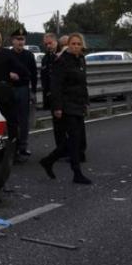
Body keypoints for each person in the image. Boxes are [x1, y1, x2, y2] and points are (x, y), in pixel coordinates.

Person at [39, 33, 92, 185]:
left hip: (78, 103)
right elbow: (56, 85)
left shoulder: (81, 60)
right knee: (74, 139)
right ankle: (77, 173)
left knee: (75, 139)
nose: (75, 46)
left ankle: (48, 160)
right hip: (66, 104)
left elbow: (83, 83)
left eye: (78, 44)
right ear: (68, 45)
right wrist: (57, 107)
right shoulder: (61, 61)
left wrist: (86, 102)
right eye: (73, 44)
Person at [9, 28, 38, 161]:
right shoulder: (8, 55)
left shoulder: (29, 55)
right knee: (12, 119)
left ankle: (23, 146)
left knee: (24, 119)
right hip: (10, 89)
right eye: (18, 39)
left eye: (22, 39)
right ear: (12, 41)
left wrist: (33, 92)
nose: (20, 42)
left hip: (23, 89)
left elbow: (33, 75)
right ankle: (12, 147)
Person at [40, 33, 58, 110]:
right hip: (50, 96)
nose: (48, 46)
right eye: (46, 44)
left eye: (50, 43)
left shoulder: (63, 55)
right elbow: (44, 78)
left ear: (55, 42)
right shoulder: (45, 58)